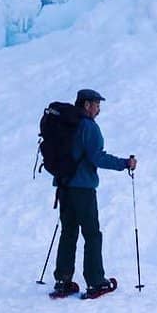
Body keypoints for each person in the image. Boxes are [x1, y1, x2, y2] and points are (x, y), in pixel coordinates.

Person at [51, 88, 137, 299]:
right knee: (92, 234)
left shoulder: (66, 123)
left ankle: (62, 281)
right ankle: (95, 282)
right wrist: (124, 163)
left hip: (64, 185)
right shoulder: (89, 127)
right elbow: (97, 158)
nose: (99, 109)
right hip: (83, 188)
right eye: (97, 105)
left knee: (68, 231)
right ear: (87, 105)